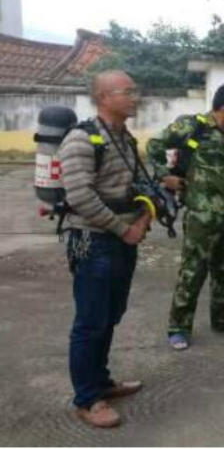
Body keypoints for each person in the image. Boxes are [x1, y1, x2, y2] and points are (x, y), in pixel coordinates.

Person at [59, 70, 152, 428]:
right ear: (103, 97)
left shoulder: (123, 138)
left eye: (135, 90)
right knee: (90, 322)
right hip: (95, 242)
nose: (135, 97)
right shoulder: (81, 139)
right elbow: (79, 196)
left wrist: (143, 218)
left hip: (122, 240)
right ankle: (87, 399)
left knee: (111, 314)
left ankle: (100, 381)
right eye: (127, 91)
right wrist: (124, 229)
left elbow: (135, 185)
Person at [147, 83, 224, 351]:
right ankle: (179, 328)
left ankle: (222, 318)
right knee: (193, 270)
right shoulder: (193, 126)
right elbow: (154, 144)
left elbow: (222, 165)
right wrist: (165, 176)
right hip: (200, 215)